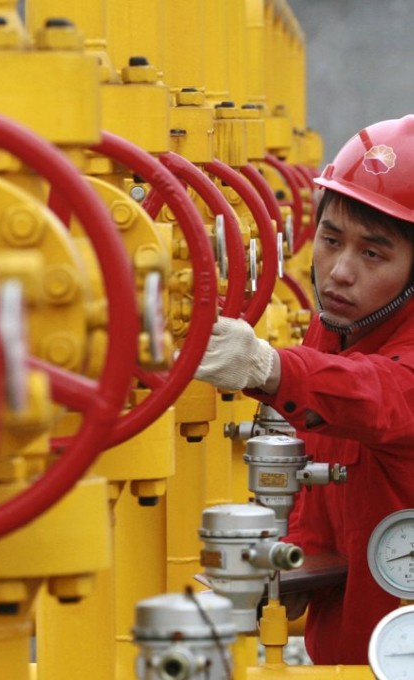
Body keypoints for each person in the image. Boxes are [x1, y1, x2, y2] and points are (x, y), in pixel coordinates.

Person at [194, 115, 414, 665]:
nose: (339, 272)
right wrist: (294, 563)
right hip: (348, 654)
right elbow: (320, 488)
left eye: (373, 253)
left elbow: (376, 396)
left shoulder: (377, 355)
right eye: (331, 240)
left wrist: (269, 367)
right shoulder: (338, 328)